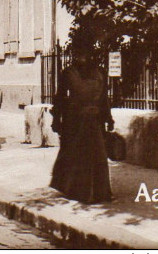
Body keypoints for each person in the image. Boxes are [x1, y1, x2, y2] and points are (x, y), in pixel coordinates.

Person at [50, 43, 114, 203]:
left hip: (88, 120)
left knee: (93, 156)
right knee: (83, 156)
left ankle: (94, 193)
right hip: (78, 121)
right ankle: (85, 192)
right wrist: (56, 118)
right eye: (79, 55)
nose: (81, 58)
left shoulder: (97, 74)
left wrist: (108, 117)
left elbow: (104, 99)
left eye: (84, 54)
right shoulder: (71, 73)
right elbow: (61, 97)